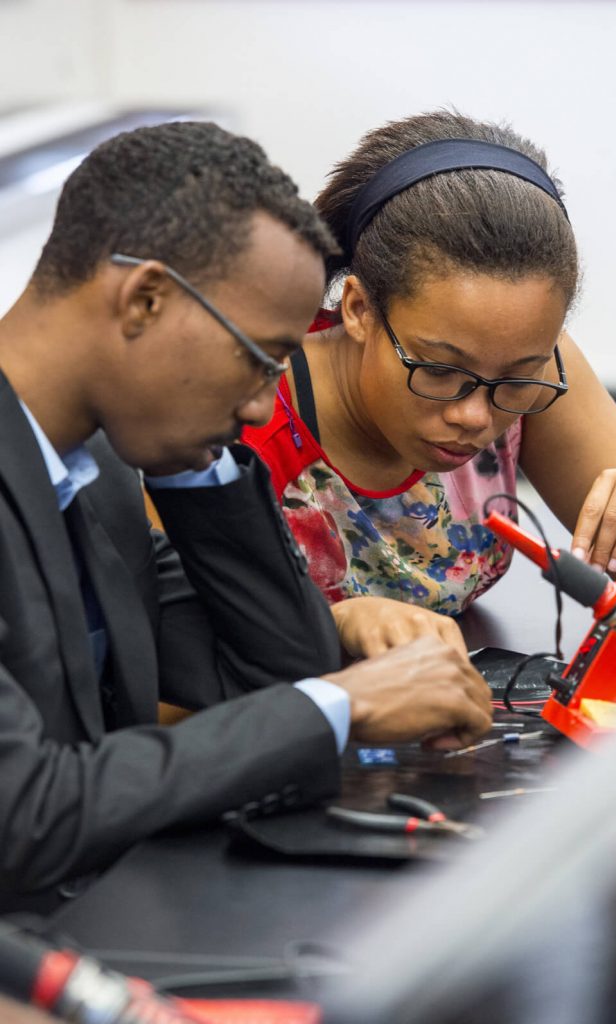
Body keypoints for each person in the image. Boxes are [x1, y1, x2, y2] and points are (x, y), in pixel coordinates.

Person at [0, 120, 492, 912]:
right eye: (258, 358)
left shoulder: (101, 477)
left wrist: (204, 465)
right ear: (144, 300)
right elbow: (23, 811)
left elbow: (276, 671)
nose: (266, 404)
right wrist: (346, 704)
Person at [243, 109, 616, 623]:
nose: (476, 417)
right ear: (359, 310)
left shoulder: (525, 371)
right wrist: (336, 629)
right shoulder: (250, 414)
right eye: (439, 371)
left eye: (516, 375)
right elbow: (173, 684)